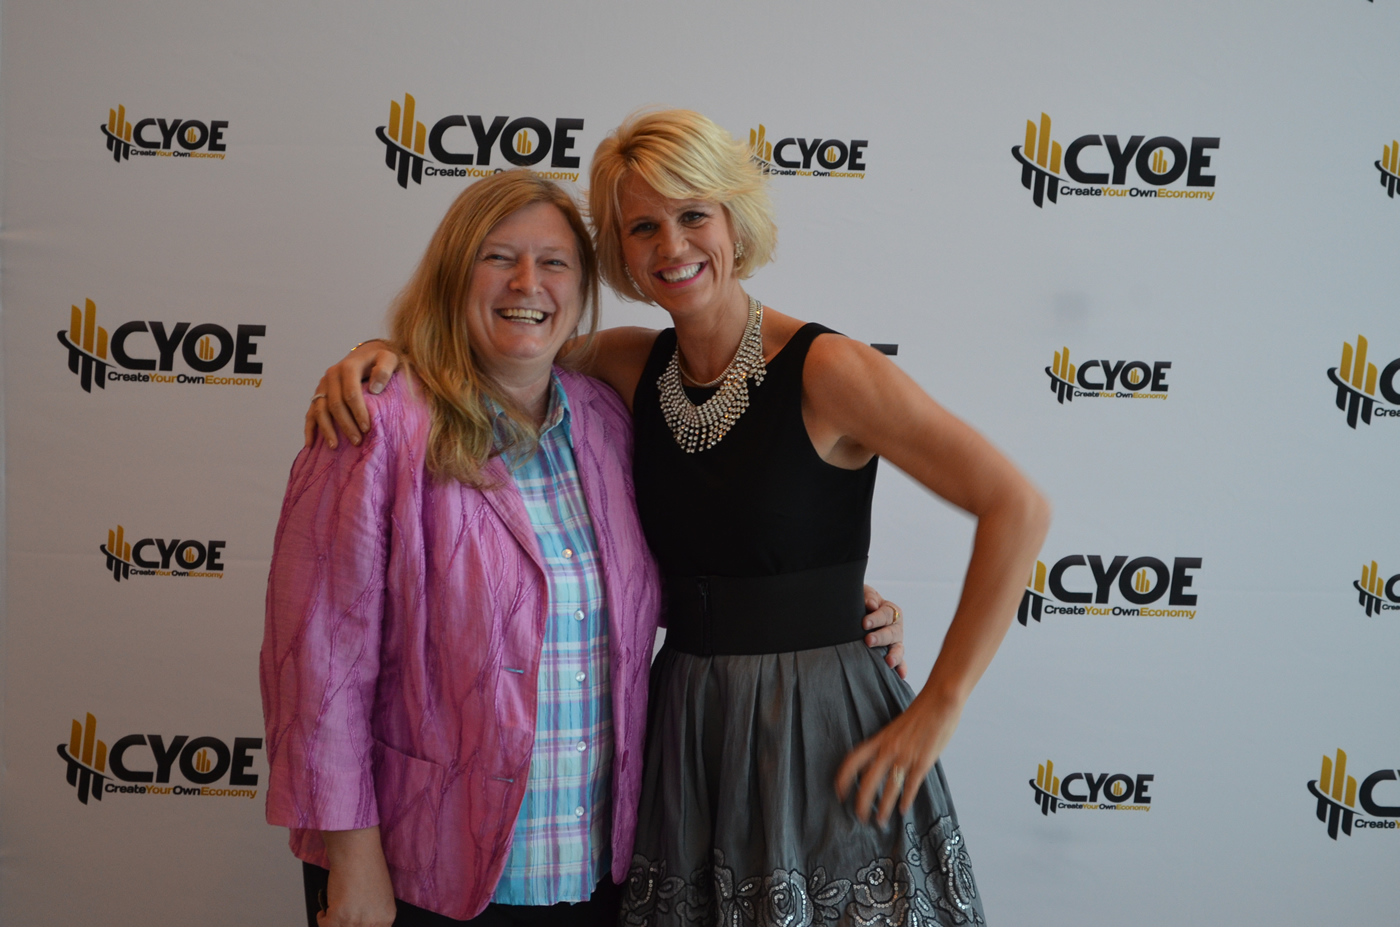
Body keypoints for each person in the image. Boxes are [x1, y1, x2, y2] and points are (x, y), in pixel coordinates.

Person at [309, 111, 1049, 927]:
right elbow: (495, 345)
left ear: (735, 220)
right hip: (687, 729)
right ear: (620, 253)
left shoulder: (828, 369)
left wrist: (941, 703)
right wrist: (381, 357)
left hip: (819, 726)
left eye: (694, 214)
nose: (672, 245)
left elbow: (1016, 506)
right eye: (642, 227)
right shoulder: (625, 363)